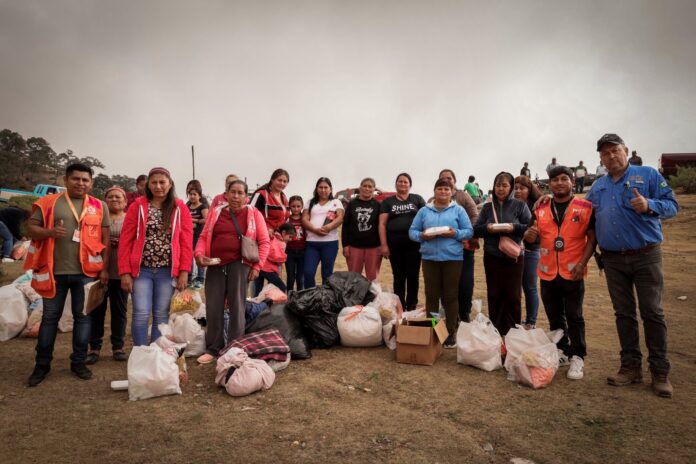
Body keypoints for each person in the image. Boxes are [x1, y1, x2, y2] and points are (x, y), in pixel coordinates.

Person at [587, 133, 677, 398]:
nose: (611, 156)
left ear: (625, 150)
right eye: (605, 153)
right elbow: (581, 212)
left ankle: (660, 371)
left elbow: (672, 205)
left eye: (615, 150)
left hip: (645, 255)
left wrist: (650, 205)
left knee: (652, 312)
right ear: (600, 158)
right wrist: (543, 198)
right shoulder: (598, 186)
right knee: (623, 313)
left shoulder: (648, 175)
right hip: (613, 260)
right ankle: (630, 367)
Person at [25, 163, 111, 386]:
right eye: (76, 179)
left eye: (85, 180)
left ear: (91, 183)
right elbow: (30, 228)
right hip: (53, 273)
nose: (81, 183)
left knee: (83, 318)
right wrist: (50, 232)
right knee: (49, 319)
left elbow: (105, 239)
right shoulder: (48, 202)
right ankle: (42, 365)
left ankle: (78, 363)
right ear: (65, 180)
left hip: (86, 273)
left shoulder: (99, 206)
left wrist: (104, 269)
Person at [524, 166, 596, 380]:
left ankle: (578, 355)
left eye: (564, 179)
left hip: (573, 270)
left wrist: (583, 263)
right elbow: (531, 237)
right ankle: (562, 350)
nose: (559, 183)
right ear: (550, 183)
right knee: (555, 316)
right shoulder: (540, 207)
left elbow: (592, 238)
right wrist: (529, 236)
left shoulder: (585, 207)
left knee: (575, 316)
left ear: (572, 182)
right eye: (555, 179)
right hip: (547, 272)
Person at [194, 179, 270, 364]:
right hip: (215, 264)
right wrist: (199, 253)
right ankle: (213, 348)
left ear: (246, 196)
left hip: (240, 264)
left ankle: (235, 348)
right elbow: (203, 236)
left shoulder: (254, 214)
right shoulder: (216, 212)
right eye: (232, 192)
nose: (236, 196)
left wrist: (257, 267)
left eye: (240, 193)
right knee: (213, 306)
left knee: (237, 307)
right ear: (226, 194)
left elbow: (264, 242)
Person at [119, 167, 193, 347]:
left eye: (162, 182)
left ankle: (156, 353)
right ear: (148, 185)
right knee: (141, 313)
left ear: (170, 184)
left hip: (166, 271)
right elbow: (126, 240)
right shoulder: (137, 206)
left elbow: (186, 241)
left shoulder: (179, 208)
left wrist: (184, 271)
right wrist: (124, 272)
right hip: (141, 270)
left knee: (161, 314)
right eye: (154, 182)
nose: (158, 186)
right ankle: (140, 352)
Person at [409, 178, 473, 347]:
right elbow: (412, 232)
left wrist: (455, 233)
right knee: (431, 296)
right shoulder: (424, 211)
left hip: (453, 259)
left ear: (452, 192)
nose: (443, 192)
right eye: (440, 189)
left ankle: (450, 332)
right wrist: (422, 236)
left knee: (450, 296)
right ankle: (432, 328)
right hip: (429, 259)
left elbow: (468, 231)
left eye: (446, 189)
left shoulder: (458, 210)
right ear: (434, 191)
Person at [474, 172, 531, 336]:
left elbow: (529, 227)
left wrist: (513, 227)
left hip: (514, 257)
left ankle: (513, 332)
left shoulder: (520, 205)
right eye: (498, 185)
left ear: (511, 187)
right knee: (494, 294)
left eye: (505, 185)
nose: (501, 189)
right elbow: (476, 230)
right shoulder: (487, 207)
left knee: (513, 295)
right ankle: (496, 331)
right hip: (492, 256)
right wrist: (487, 228)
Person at [86, 186, 129, 364]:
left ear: (125, 201)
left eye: (118, 197)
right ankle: (94, 348)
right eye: (110, 197)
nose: (114, 200)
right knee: (96, 311)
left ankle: (118, 347)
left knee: (119, 311)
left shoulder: (130, 219)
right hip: (99, 271)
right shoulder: (97, 218)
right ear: (105, 201)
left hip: (121, 272)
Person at [436, 169, 479, 323]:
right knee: (445, 284)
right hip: (444, 249)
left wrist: (466, 235)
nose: (446, 181)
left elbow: (474, 216)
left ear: (454, 181)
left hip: (464, 247)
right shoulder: (433, 199)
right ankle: (448, 315)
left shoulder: (463, 196)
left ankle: (464, 313)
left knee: (465, 283)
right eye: (443, 178)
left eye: (449, 178)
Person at [379, 173, 425, 310]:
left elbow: (426, 218)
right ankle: (399, 306)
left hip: (414, 245)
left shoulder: (417, 199)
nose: (403, 184)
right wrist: (384, 245)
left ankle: (411, 305)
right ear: (396, 184)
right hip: (395, 246)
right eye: (400, 181)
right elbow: (382, 224)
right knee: (398, 276)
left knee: (413, 276)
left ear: (410, 185)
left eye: (405, 182)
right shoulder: (388, 202)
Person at [302, 177, 344, 288]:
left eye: (326, 187)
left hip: (330, 243)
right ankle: (310, 295)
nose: (323, 190)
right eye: (320, 187)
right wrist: (314, 230)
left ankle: (325, 297)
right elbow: (304, 219)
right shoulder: (310, 202)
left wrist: (329, 227)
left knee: (327, 274)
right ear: (316, 189)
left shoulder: (336, 202)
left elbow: (340, 218)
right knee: (308, 272)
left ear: (330, 189)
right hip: (312, 244)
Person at [514, 175, 543, 329]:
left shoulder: (537, 206)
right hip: (513, 251)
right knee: (515, 287)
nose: (518, 191)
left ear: (529, 189)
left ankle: (531, 321)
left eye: (522, 188)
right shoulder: (510, 205)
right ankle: (515, 320)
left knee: (530, 286)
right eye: (515, 188)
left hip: (531, 250)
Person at [342, 177, 382, 281]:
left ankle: (372, 292)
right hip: (354, 246)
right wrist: (345, 245)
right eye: (364, 186)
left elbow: (382, 226)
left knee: (372, 278)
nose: (367, 188)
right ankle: (354, 292)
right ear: (360, 188)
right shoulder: (352, 204)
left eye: (370, 186)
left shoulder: (378, 205)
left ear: (374, 189)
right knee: (354, 278)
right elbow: (345, 225)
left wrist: (382, 245)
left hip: (374, 247)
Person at [255, 223, 295, 294]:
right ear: (283, 233)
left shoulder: (273, 237)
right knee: (282, 287)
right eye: (290, 237)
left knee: (258, 290)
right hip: (268, 269)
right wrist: (284, 258)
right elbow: (273, 256)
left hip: (260, 266)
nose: (291, 239)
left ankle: (257, 300)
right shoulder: (280, 242)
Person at [186, 182, 209, 288]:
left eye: (194, 194)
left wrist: (194, 220)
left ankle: (200, 278)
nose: (192, 196)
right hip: (188, 235)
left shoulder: (203, 206)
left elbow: (207, 219)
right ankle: (189, 277)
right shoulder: (187, 206)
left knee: (198, 256)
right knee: (188, 256)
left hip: (198, 235)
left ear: (199, 196)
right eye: (190, 194)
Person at [285, 195, 306, 292]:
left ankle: (300, 296)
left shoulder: (305, 219)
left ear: (302, 206)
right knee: (290, 276)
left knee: (300, 277)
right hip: (290, 252)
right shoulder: (287, 219)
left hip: (303, 251)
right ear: (289, 206)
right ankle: (289, 296)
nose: (296, 209)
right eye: (293, 206)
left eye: (298, 206)